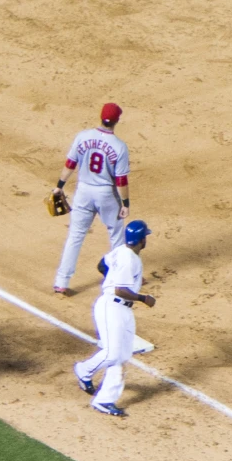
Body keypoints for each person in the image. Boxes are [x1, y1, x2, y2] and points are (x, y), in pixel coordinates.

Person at [72, 220, 154, 418]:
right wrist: (143, 298)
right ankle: (83, 370)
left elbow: (102, 265)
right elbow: (119, 289)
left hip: (123, 310)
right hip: (112, 306)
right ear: (141, 240)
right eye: (146, 237)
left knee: (123, 355)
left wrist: (113, 276)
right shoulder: (130, 259)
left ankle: (105, 399)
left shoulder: (120, 251)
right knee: (112, 353)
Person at [51, 104, 130, 294]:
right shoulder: (119, 146)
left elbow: (70, 163)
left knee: (75, 235)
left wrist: (59, 185)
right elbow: (120, 180)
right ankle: (121, 280)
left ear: (101, 117)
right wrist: (125, 203)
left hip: (83, 191)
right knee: (116, 234)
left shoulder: (82, 136)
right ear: (117, 121)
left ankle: (62, 281)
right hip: (106, 194)